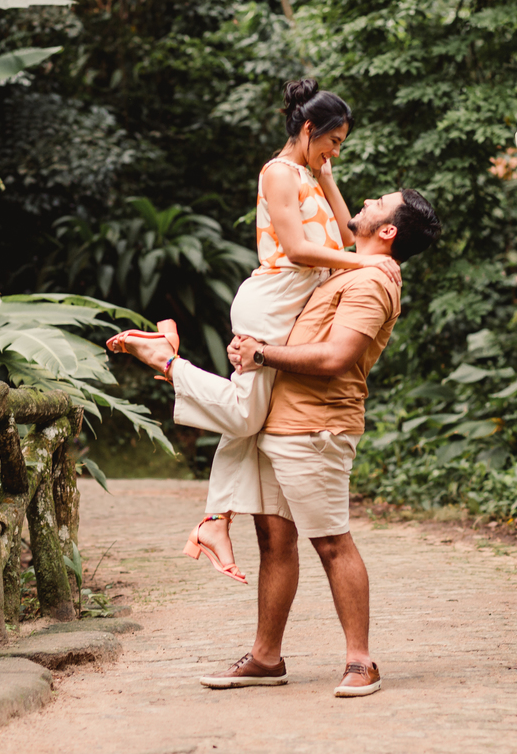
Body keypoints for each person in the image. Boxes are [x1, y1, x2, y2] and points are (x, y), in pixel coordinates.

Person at [117, 187, 441, 697]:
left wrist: (262, 354)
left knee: (331, 541)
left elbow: (336, 357)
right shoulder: (351, 266)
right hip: (282, 420)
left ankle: (362, 662)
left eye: (380, 202)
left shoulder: (372, 282)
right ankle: (266, 657)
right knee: (274, 540)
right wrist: (323, 173)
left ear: (389, 230)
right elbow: (334, 225)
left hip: (317, 426)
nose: (366, 201)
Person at [107, 79, 401, 583]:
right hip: (275, 299)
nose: (336, 151)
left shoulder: (310, 173)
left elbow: (348, 232)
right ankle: (166, 361)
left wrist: (328, 175)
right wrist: (363, 264)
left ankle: (215, 521)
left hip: (296, 304)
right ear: (309, 129)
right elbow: (298, 250)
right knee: (246, 414)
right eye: (333, 141)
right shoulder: (278, 173)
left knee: (257, 417)